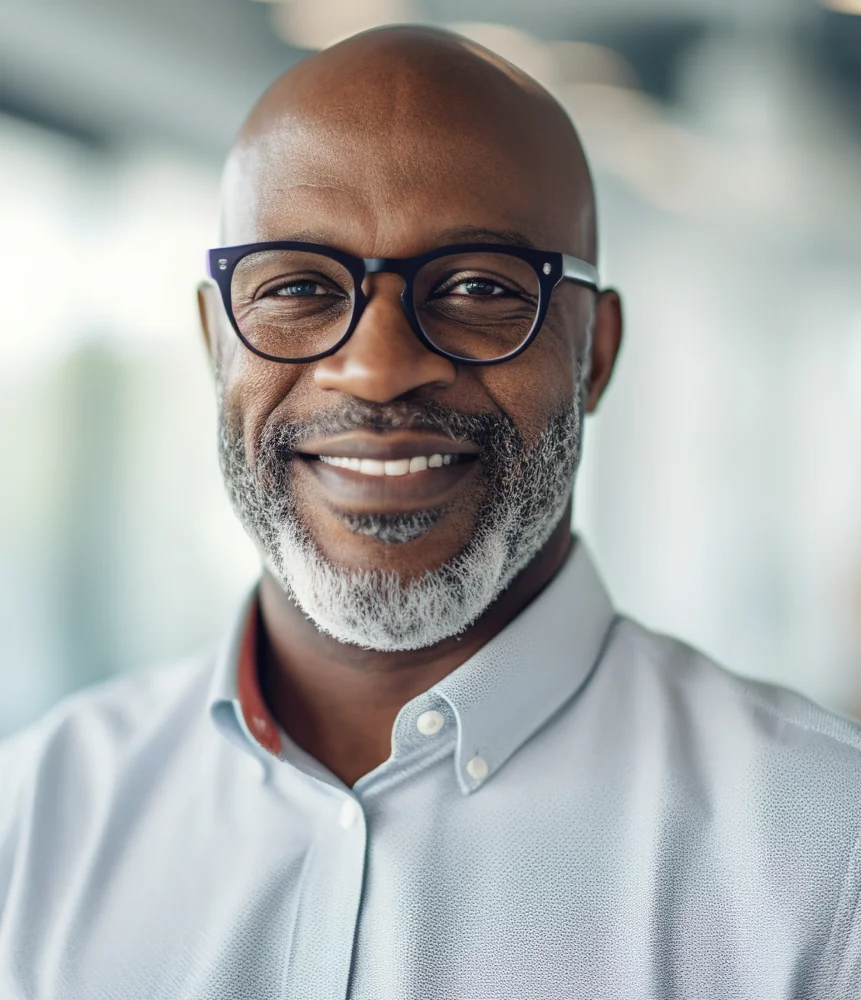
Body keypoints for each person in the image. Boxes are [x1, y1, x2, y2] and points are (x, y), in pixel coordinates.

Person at [1, 25, 859, 1000]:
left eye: (480, 287)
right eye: (296, 287)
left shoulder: (830, 859)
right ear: (216, 345)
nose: (377, 366)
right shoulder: (29, 823)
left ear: (596, 354)